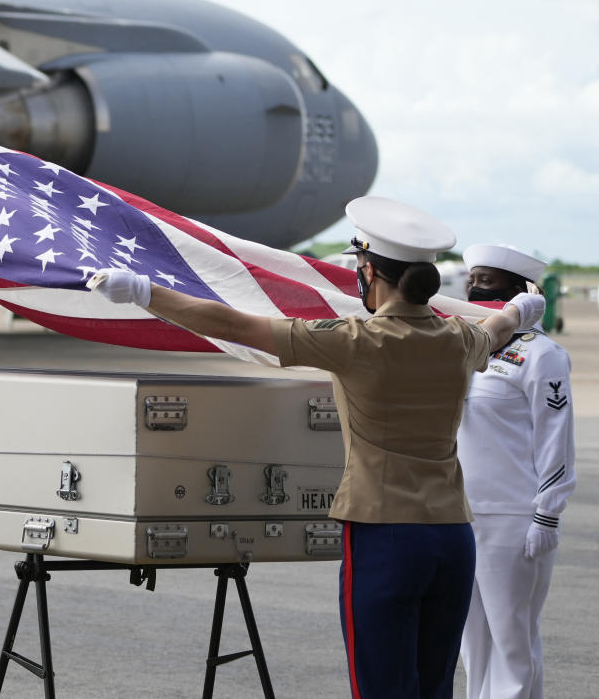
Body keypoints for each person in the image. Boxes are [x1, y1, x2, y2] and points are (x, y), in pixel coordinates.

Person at [88, 196, 545, 699]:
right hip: (454, 537)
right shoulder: (459, 339)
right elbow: (499, 328)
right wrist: (522, 306)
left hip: (385, 533)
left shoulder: (354, 339)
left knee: (382, 687)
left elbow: (233, 325)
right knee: (434, 684)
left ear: (368, 272)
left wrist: (145, 292)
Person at [457, 244, 575, 699]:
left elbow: (555, 437)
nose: (472, 288)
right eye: (471, 279)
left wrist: (547, 511)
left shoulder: (542, 355)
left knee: (512, 641)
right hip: (462, 512)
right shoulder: (465, 346)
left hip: (514, 516)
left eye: (485, 281)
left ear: (519, 291)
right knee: (472, 644)